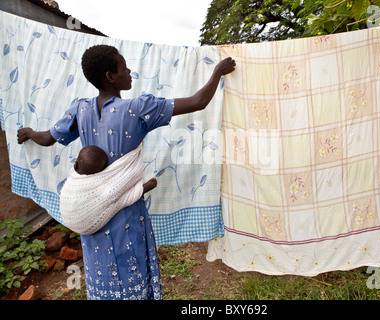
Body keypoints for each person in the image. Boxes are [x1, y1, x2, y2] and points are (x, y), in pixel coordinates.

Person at [17, 44, 235, 300]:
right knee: (131, 272)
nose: (130, 70)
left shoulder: (80, 109)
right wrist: (217, 73)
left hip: (93, 214)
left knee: (103, 274)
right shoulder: (139, 109)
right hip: (126, 215)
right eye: (124, 67)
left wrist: (30, 133)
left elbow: (48, 138)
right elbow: (198, 102)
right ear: (110, 76)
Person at [59, 144, 158, 236]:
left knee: (110, 197)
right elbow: (117, 194)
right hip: (88, 226)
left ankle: (140, 190)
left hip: (66, 217)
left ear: (75, 165)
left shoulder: (74, 175)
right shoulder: (104, 187)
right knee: (116, 199)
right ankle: (141, 189)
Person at [74, 145, 157, 193]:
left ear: (76, 165)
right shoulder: (100, 192)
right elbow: (120, 199)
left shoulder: (73, 174)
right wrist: (144, 188)